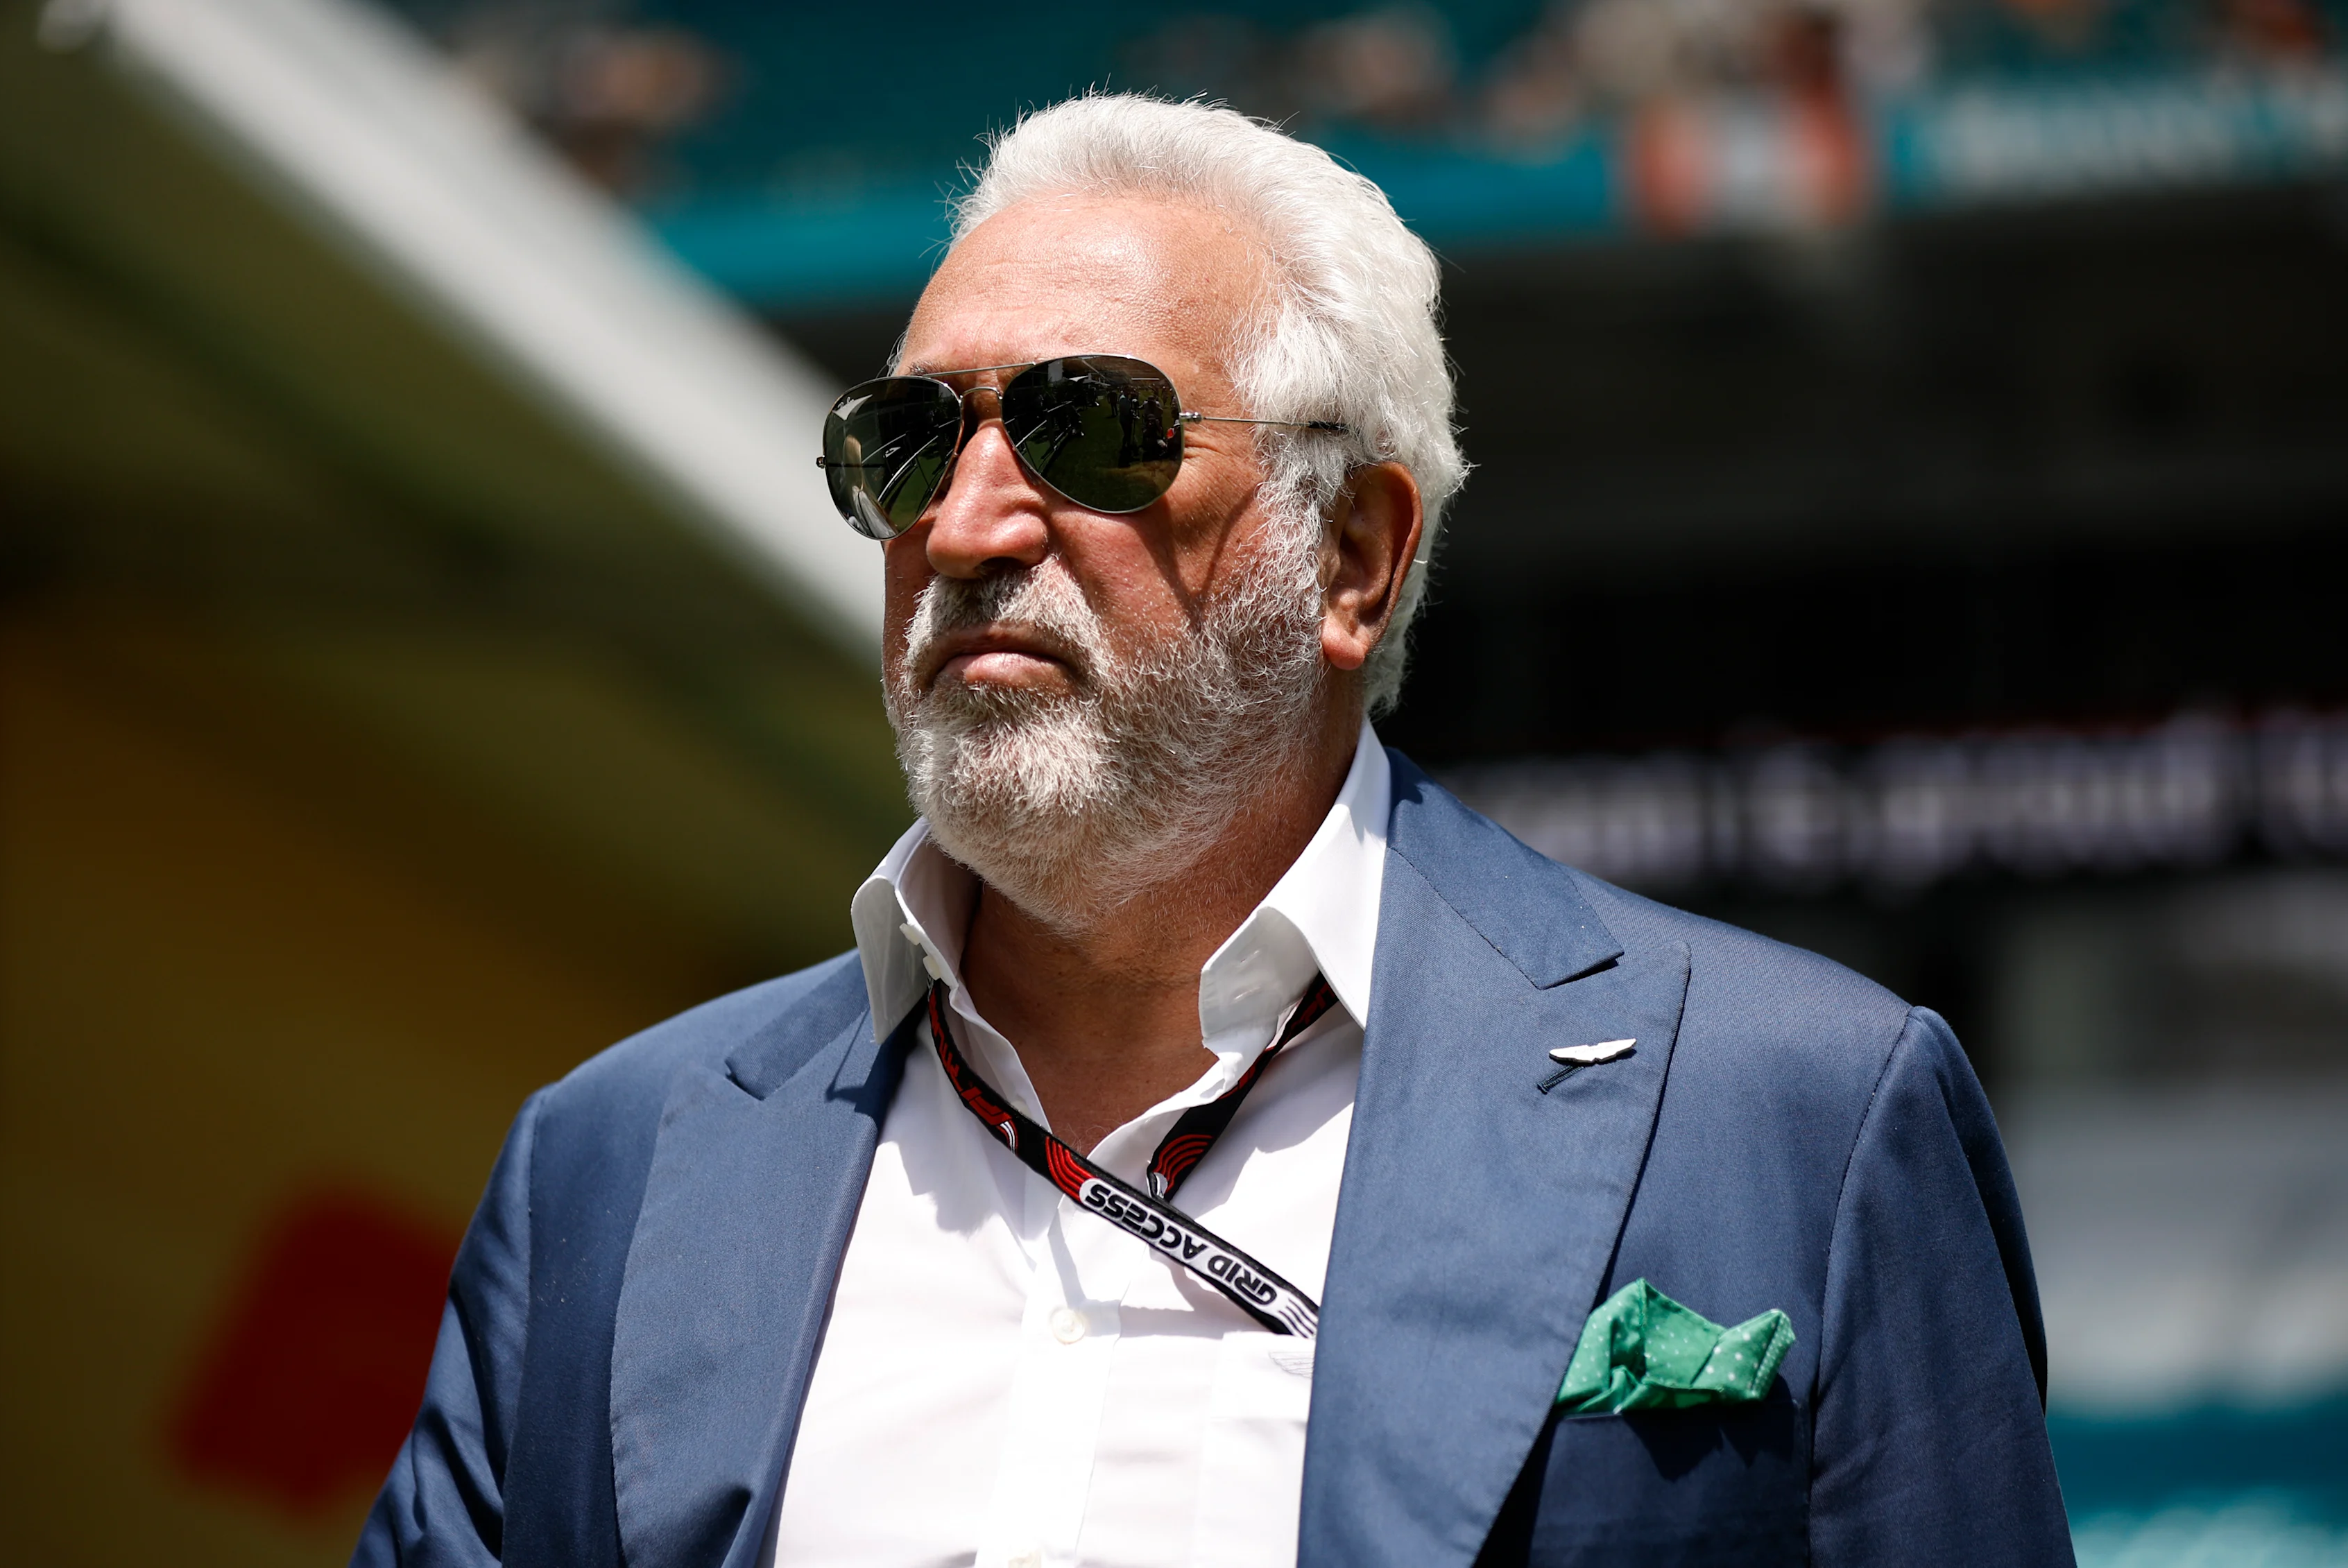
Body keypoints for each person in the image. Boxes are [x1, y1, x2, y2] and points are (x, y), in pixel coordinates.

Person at [355, 95, 2073, 1568]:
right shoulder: (610, 1161)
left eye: (1083, 426)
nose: (961, 524)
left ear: (1351, 555)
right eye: (908, 441)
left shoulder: (1794, 1119)